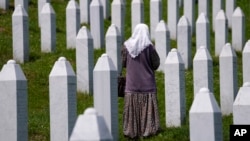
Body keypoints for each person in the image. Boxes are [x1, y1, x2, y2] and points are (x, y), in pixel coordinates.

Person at [121, 23, 160, 139]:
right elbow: (156, 64)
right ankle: (148, 129)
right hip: (147, 85)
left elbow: (123, 63)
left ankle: (131, 130)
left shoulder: (126, 47)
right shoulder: (150, 48)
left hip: (131, 85)